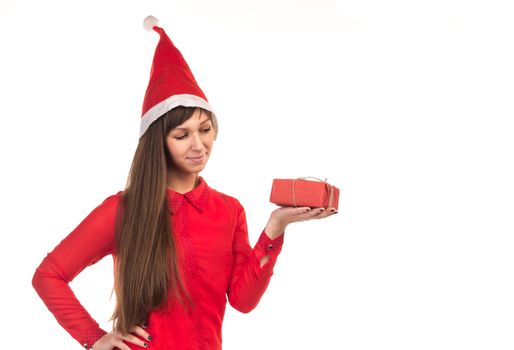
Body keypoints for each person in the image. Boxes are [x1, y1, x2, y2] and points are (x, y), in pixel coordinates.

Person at [31, 16, 337, 350]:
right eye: (182, 135)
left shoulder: (229, 210)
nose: (198, 145)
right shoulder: (123, 209)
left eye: (205, 130)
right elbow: (48, 276)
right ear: (158, 142)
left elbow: (243, 300)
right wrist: (94, 338)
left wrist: (275, 228)